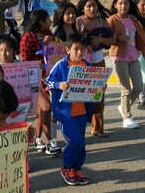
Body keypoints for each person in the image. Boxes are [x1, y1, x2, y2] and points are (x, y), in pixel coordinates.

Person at [46, 34, 94, 186]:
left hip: (82, 112)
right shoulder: (61, 65)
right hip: (66, 112)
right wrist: (59, 85)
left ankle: (77, 169)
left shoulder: (87, 66)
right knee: (75, 141)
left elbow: (93, 87)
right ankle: (66, 168)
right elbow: (47, 83)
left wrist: (100, 87)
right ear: (68, 50)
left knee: (81, 143)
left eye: (83, 50)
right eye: (76, 49)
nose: (80, 53)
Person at [108, 0, 145, 129]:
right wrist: (119, 38)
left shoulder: (133, 19)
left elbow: (140, 38)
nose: (123, 6)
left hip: (134, 57)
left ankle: (123, 107)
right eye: (120, 3)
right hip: (119, 57)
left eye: (126, 3)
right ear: (115, 5)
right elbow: (107, 39)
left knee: (139, 87)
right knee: (126, 89)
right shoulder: (112, 20)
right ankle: (127, 117)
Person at [20, 9, 60, 155]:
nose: (50, 21)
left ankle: (38, 139)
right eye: (47, 19)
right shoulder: (27, 38)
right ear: (41, 21)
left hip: (48, 77)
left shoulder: (48, 34)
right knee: (46, 106)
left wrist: (52, 42)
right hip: (33, 79)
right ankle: (50, 141)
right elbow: (25, 61)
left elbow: (57, 53)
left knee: (42, 111)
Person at [76, 0, 113, 137]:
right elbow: (74, 41)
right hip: (82, 61)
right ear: (83, 8)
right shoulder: (78, 21)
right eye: (88, 6)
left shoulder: (102, 21)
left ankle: (98, 127)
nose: (92, 9)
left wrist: (100, 39)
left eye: (94, 6)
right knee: (83, 95)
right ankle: (80, 127)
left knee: (99, 92)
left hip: (98, 59)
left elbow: (112, 40)